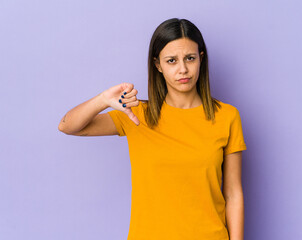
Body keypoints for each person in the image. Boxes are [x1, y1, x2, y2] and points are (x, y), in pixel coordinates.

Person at [58, 18, 247, 240]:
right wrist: (102, 99)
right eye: (171, 61)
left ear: (201, 59)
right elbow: (68, 126)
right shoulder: (136, 115)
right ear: (158, 65)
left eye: (190, 58)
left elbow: (233, 193)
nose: (183, 69)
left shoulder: (227, 116)